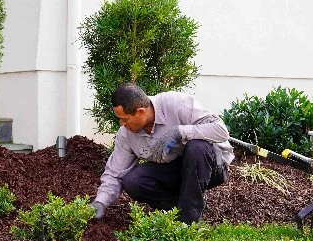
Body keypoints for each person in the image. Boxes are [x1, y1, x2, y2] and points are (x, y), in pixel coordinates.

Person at [89, 83, 234, 224]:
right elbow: (116, 172)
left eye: (125, 119)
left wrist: (180, 131)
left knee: (197, 147)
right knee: (133, 181)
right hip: (176, 169)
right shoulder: (126, 135)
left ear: (140, 111)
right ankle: (182, 207)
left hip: (213, 165)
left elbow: (221, 131)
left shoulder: (177, 104)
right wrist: (101, 202)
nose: (121, 123)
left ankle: (188, 222)